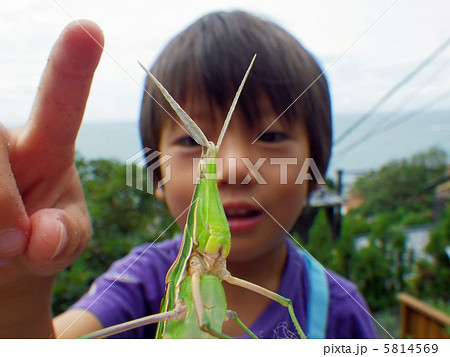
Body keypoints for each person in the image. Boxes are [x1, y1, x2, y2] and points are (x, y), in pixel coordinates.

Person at [0, 11, 377, 338]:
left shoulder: (341, 313)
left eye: (273, 136)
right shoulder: (137, 284)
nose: (232, 169)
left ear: (314, 171)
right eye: (192, 142)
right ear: (157, 178)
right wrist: (17, 285)